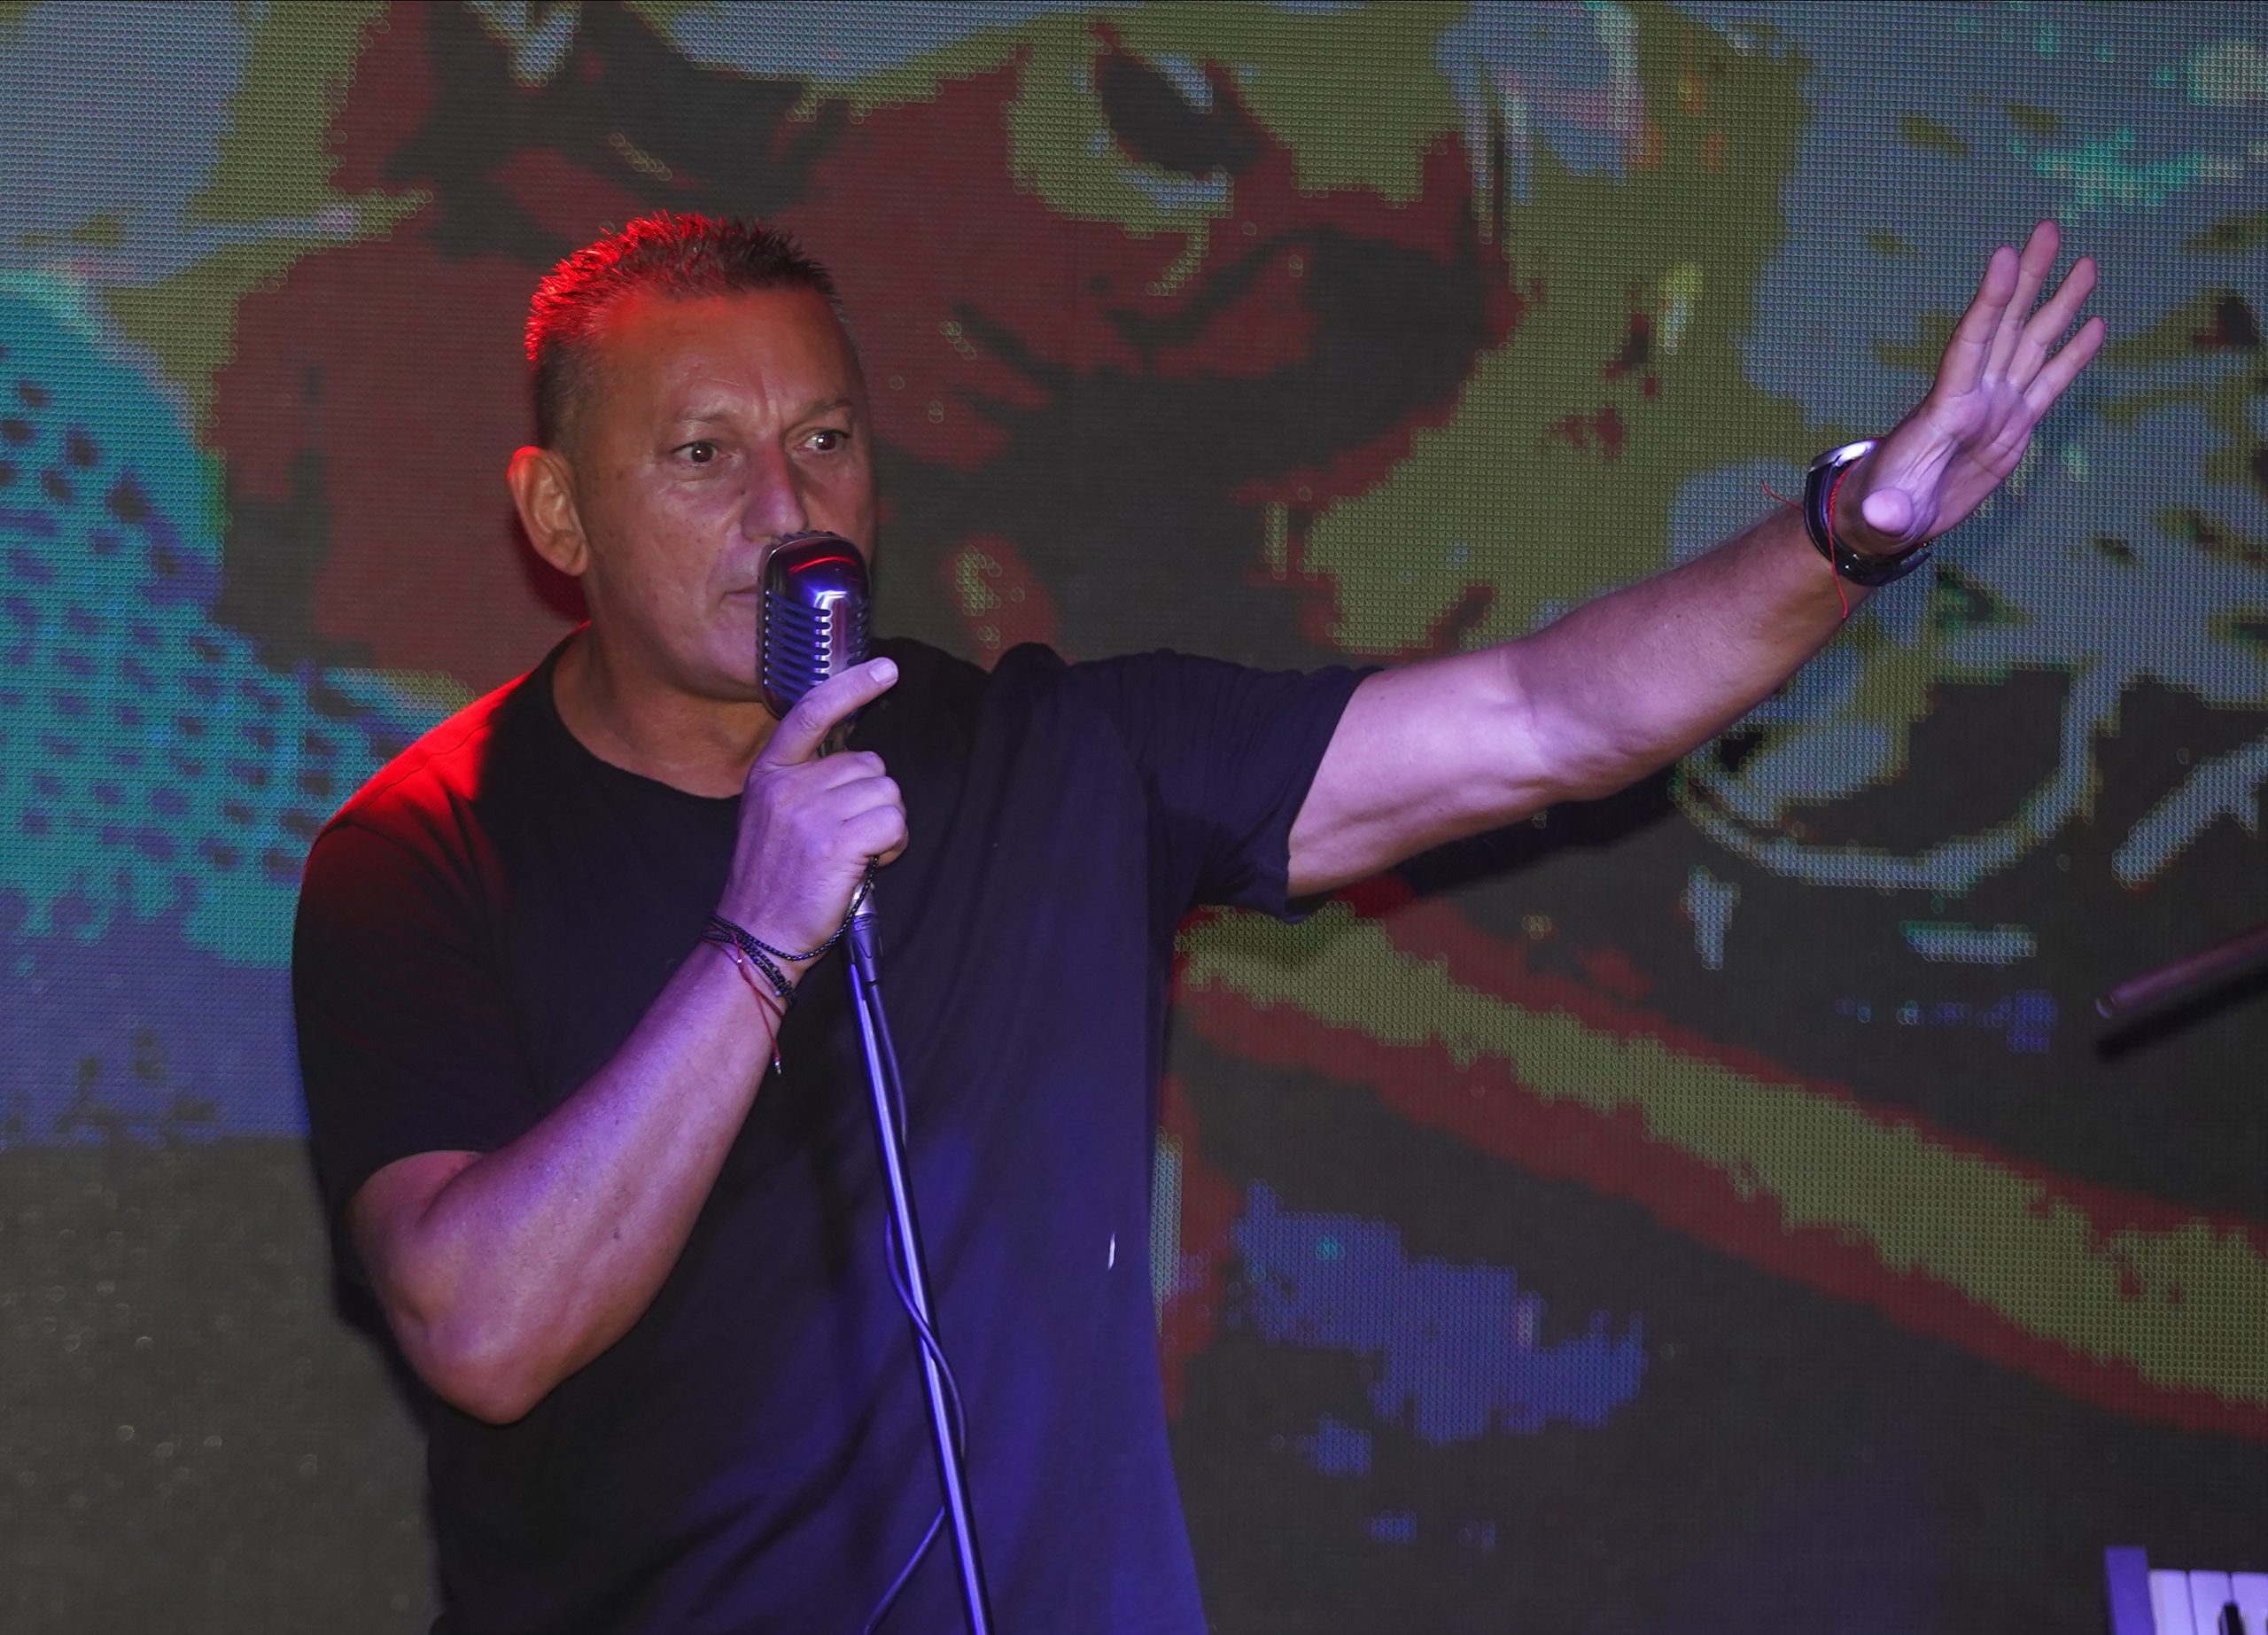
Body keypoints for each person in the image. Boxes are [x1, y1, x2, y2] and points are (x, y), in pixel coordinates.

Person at [292, 211, 2101, 1632]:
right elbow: (484, 1328)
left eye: (824, 440)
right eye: (703, 455)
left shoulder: (1055, 756)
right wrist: (756, 938)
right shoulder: (426, 848)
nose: (788, 511)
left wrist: (1846, 531)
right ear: (556, 512)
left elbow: (1544, 718)